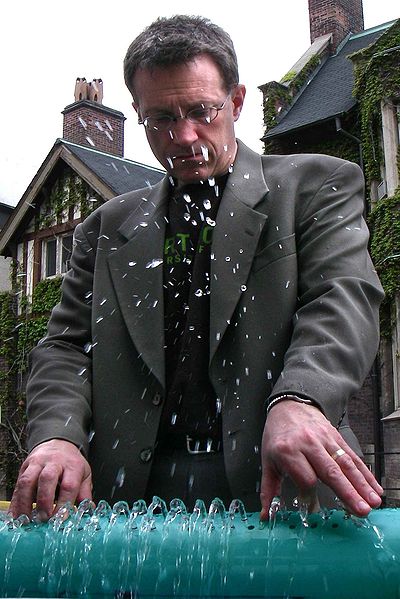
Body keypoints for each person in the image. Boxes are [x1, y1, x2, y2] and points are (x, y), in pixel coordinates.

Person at [10, 15, 384, 520]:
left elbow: (343, 297)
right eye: (160, 118)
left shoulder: (315, 186)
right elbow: (66, 346)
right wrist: (57, 436)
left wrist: (302, 397)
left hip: (287, 487)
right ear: (139, 115)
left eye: (202, 111)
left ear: (236, 101)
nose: (183, 135)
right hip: (129, 502)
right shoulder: (103, 228)